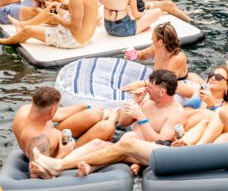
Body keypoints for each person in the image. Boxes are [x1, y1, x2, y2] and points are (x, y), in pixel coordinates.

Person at [30, 70, 188, 178]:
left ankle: (59, 165)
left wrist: (141, 117)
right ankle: (69, 168)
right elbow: (123, 122)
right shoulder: (147, 100)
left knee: (128, 141)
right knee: (98, 143)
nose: (146, 90)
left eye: (150, 87)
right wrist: (136, 102)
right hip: (129, 148)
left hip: (151, 153)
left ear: (162, 92)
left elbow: (160, 143)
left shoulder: (176, 112)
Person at [12, 87, 117, 178]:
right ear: (52, 110)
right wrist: (63, 153)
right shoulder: (39, 141)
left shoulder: (25, 110)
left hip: (61, 134)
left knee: (95, 113)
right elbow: (39, 173)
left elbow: (60, 113)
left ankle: (103, 114)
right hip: (69, 150)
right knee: (106, 127)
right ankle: (113, 118)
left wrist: (86, 107)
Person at [122, 22, 201, 98]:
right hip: (158, 83)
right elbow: (142, 55)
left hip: (176, 87)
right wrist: (132, 54)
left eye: (153, 38)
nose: (151, 39)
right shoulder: (156, 48)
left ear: (160, 42)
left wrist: (141, 84)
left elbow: (165, 82)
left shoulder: (177, 58)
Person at [174, 64, 228, 146]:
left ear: (227, 85)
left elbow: (225, 131)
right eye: (211, 75)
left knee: (212, 118)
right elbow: (174, 85)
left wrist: (211, 106)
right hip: (183, 128)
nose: (213, 78)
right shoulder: (198, 93)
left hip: (202, 138)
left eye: (218, 77)